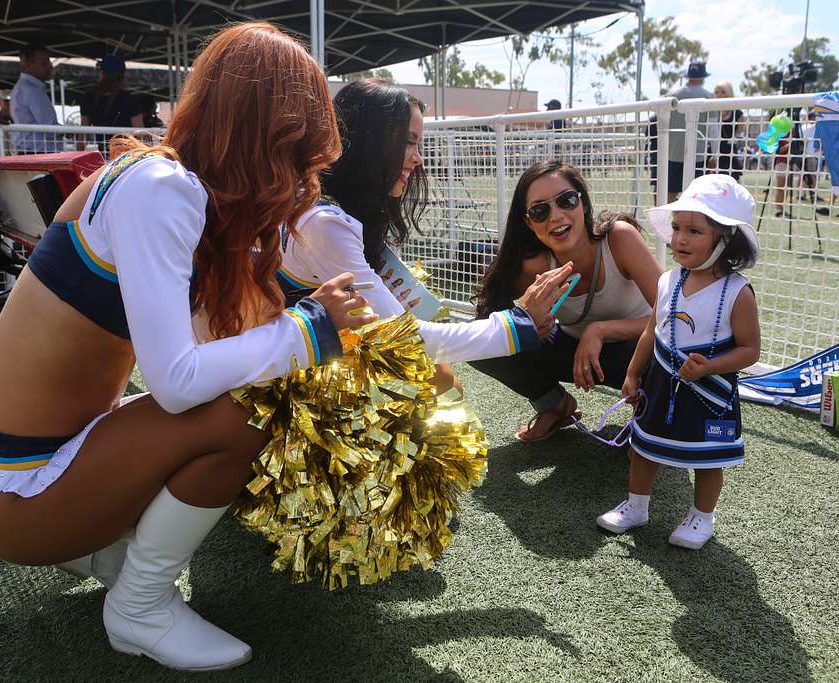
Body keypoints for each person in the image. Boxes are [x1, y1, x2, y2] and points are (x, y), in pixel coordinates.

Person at [0, 23, 377, 672]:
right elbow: (176, 380)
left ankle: (114, 561)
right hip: (22, 495)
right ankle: (140, 608)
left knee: (232, 397)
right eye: (297, 156)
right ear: (268, 135)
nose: (300, 181)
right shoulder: (163, 190)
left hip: (34, 471)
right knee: (238, 418)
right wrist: (312, 329)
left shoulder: (154, 179)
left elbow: (203, 349)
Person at [279, 79, 573, 395]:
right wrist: (518, 323)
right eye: (407, 141)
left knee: (440, 376)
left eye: (418, 144)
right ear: (368, 141)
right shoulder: (326, 224)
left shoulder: (330, 203)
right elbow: (404, 335)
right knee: (438, 379)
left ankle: (551, 403)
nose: (417, 158)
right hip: (293, 383)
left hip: (309, 355)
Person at [596, 173, 761, 550]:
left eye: (695, 231)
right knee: (643, 446)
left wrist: (710, 367)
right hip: (661, 381)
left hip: (708, 392)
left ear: (726, 240)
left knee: (706, 460)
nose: (680, 238)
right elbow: (651, 330)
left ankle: (702, 516)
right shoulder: (668, 280)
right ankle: (637, 506)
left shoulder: (738, 292)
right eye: (676, 228)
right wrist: (633, 373)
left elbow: (751, 351)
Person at [470, 161, 663, 442]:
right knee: (482, 341)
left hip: (639, 352)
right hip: (575, 355)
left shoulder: (619, 238)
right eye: (540, 211)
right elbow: (492, 319)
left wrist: (600, 331)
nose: (556, 216)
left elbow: (673, 315)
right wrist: (529, 325)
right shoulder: (534, 265)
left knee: (668, 357)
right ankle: (554, 405)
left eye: (566, 200)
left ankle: (647, 413)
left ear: (582, 204)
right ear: (528, 223)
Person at [667, 59, 712, 202]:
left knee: (670, 193)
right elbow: (714, 127)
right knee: (696, 195)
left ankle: (665, 223)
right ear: (703, 77)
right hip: (697, 154)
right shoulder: (709, 97)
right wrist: (715, 154)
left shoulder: (673, 96)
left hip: (673, 152)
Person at [10, 43, 58, 153]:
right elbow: (51, 129)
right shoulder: (32, 90)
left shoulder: (21, 87)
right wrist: (71, 132)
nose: (50, 67)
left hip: (31, 151)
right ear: (28, 65)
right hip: (40, 152)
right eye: (44, 63)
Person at [80, 54, 143, 128]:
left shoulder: (89, 97)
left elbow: (83, 133)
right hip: (124, 139)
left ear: (102, 73)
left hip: (98, 139)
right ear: (122, 75)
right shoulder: (129, 99)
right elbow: (140, 132)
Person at [706, 80, 744, 182]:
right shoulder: (710, 112)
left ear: (729, 93)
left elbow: (741, 133)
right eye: (717, 92)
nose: (719, 95)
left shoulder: (738, 113)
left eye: (723, 92)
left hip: (729, 152)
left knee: (734, 183)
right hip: (713, 152)